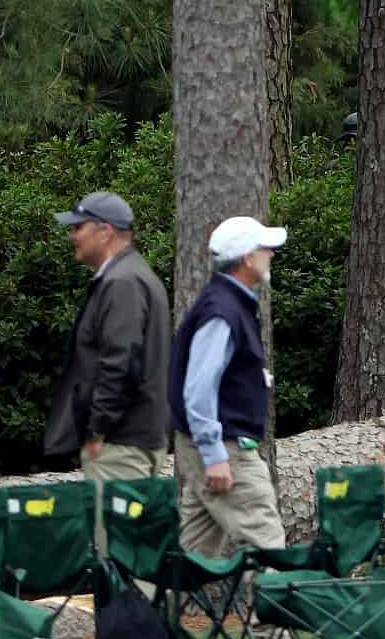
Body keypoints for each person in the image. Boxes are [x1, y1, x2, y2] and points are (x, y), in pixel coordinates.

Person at [169, 215, 288, 557]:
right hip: (225, 447)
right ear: (248, 258)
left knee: (192, 554)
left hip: (215, 443)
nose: (272, 255)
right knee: (268, 546)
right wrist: (214, 453)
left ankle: (144, 609)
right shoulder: (222, 311)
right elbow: (199, 387)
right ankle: (277, 613)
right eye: (266, 249)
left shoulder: (228, 303)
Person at [44, 193, 171, 494]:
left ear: (105, 231)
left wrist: (98, 430)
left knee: (112, 540)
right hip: (133, 438)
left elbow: (121, 362)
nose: (72, 235)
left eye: (78, 227)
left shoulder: (122, 282)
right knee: (132, 539)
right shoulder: (134, 274)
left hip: (119, 444)